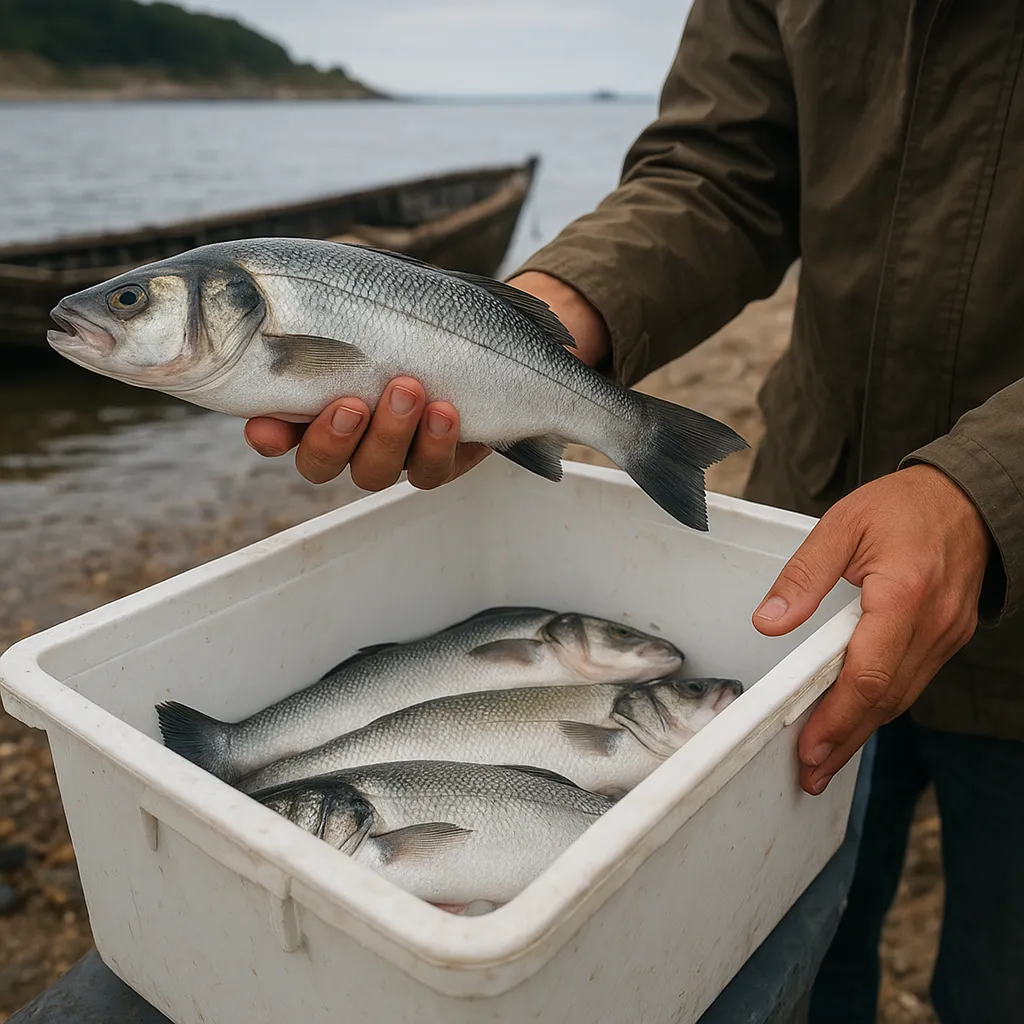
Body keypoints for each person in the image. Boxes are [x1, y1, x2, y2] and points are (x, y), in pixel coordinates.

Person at [243, 3, 1024, 1020]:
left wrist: (985, 486)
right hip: (798, 573)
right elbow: (719, 174)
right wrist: (522, 329)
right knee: (796, 938)